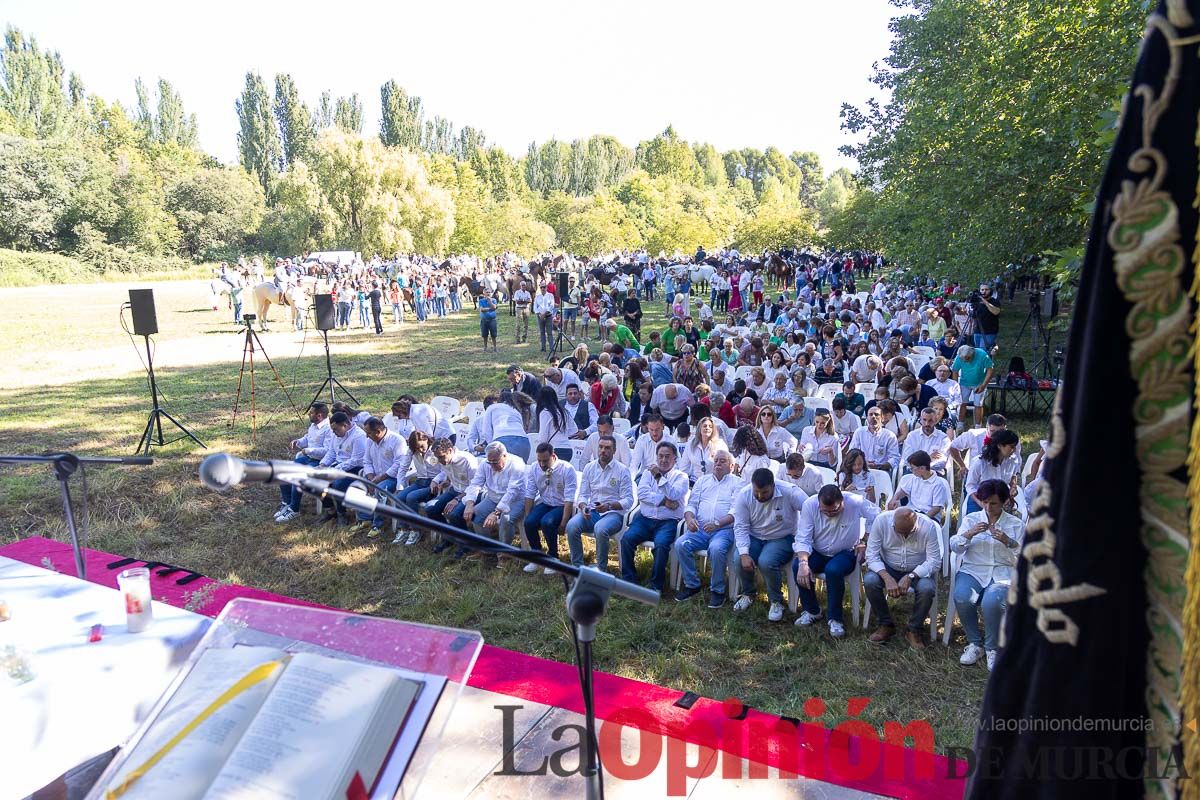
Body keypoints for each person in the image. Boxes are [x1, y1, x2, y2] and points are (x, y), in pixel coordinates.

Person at [950, 479, 1023, 671]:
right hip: (974, 569)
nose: (988, 507)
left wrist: (1010, 542)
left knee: (991, 601)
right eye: (985, 502)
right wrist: (968, 534)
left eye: (994, 503)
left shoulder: (1015, 524)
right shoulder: (971, 519)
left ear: (1005, 502)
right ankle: (975, 644)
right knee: (962, 596)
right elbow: (955, 547)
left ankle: (992, 648)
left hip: (1002, 571)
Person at [794, 485, 880, 637]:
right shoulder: (810, 504)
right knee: (797, 566)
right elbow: (803, 537)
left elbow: (876, 516)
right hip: (818, 550)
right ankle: (813, 610)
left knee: (833, 570)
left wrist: (866, 540)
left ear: (843, 502)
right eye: (825, 510)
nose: (829, 514)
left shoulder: (855, 501)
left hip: (846, 551)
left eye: (834, 510)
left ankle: (835, 618)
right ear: (819, 503)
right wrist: (803, 563)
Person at [731, 467, 809, 621]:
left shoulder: (790, 492)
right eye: (756, 492)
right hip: (755, 536)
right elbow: (740, 526)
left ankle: (776, 601)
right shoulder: (744, 495)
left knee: (766, 562)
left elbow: (810, 509)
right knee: (739, 559)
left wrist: (803, 537)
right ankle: (748, 593)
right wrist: (744, 553)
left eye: (764, 492)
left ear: (774, 485)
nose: (760, 496)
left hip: (783, 537)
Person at [863, 507, 941, 649]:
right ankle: (885, 624)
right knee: (870, 580)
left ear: (916, 523)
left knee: (927, 588)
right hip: (888, 566)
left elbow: (934, 561)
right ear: (893, 523)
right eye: (900, 532)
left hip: (917, 570)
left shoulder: (928, 526)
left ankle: (914, 629)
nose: (904, 536)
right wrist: (886, 577)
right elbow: (871, 556)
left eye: (909, 532)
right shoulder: (881, 521)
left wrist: (911, 576)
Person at [673, 450, 742, 606]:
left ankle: (717, 590)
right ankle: (692, 585)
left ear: (731, 466)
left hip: (724, 530)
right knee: (680, 544)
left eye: (722, 461)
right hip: (701, 529)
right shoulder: (702, 481)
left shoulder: (737, 483)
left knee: (716, 549)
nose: (718, 463)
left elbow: (735, 511)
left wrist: (718, 523)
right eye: (716, 460)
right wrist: (690, 519)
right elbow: (691, 504)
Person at [620, 441, 690, 592]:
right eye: (660, 456)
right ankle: (628, 579)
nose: (663, 460)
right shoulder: (646, 473)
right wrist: (664, 501)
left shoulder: (681, 477)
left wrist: (658, 477)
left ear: (675, 459)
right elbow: (642, 494)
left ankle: (655, 585)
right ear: (656, 457)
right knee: (626, 539)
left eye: (667, 457)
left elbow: (674, 494)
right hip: (645, 519)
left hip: (668, 521)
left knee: (662, 544)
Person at [567, 434, 634, 572]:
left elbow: (628, 500)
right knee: (572, 526)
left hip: (613, 514)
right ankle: (577, 568)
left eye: (607, 448)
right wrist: (584, 506)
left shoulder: (622, 470)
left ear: (614, 451)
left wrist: (609, 505)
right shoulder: (589, 468)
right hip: (592, 511)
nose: (603, 450)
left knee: (600, 529)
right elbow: (583, 495)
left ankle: (600, 568)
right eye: (601, 447)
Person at [453, 441, 527, 561]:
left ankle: (505, 554)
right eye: (490, 462)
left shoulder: (517, 464)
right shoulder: (485, 464)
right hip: (493, 498)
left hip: (516, 500)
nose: (492, 465)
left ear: (504, 456)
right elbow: (476, 483)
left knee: (506, 519)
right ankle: (487, 549)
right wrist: (470, 503)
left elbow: (512, 492)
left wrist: (496, 512)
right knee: (476, 512)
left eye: (495, 462)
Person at [518, 443, 578, 573]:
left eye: (545, 460)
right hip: (546, 503)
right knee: (529, 522)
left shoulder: (566, 469)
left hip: (562, 505)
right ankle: (536, 555)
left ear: (553, 456)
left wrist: (563, 521)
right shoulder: (534, 468)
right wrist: (528, 514)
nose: (542, 464)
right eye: (539, 460)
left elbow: (569, 498)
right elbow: (530, 493)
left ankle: (553, 558)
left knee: (547, 522)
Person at [352, 416, 413, 536]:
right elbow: (366, 460)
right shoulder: (370, 440)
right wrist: (370, 478)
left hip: (392, 477)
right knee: (357, 486)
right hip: (374, 476)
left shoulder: (397, 440)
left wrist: (378, 479)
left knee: (380, 490)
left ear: (378, 432)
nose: (366, 436)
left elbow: (398, 465)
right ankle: (364, 519)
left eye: (368, 433)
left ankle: (377, 525)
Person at [275, 402, 331, 523]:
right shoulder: (313, 425)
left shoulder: (329, 429)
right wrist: (298, 442)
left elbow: (328, 451)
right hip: (307, 458)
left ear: (319, 415)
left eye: (311, 413)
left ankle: (294, 510)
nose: (308, 414)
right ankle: (287, 502)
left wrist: (309, 450)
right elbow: (307, 438)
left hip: (319, 462)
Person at [316, 411, 369, 525]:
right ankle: (330, 510)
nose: (334, 432)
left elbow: (355, 460)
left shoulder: (358, 436)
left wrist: (335, 470)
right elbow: (331, 452)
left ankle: (341, 513)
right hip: (339, 465)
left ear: (345, 425)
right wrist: (323, 465)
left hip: (354, 469)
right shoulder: (337, 435)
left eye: (336, 429)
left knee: (337, 484)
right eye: (332, 430)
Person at [425, 438, 478, 539]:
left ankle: (466, 543)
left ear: (450, 450)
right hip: (454, 490)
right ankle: (449, 537)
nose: (440, 461)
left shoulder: (467, 460)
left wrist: (457, 499)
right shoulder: (445, 459)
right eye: (438, 458)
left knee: (454, 514)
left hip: (469, 494)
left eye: (441, 457)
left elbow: (475, 486)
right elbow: (447, 473)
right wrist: (443, 481)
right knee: (430, 508)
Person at [394, 430, 439, 545]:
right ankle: (403, 529)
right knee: (399, 497)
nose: (420, 450)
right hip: (420, 481)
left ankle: (416, 530)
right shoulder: (412, 451)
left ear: (426, 440)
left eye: (422, 447)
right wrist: (400, 486)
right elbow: (403, 468)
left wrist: (435, 481)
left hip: (433, 483)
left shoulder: (435, 450)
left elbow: (445, 470)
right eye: (417, 448)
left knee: (411, 497)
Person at [964, 429, 1020, 513]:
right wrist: (982, 503)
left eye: (1015, 447)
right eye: (1011, 447)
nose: (1014, 450)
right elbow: (970, 486)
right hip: (979, 500)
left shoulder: (1013, 460)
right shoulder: (979, 462)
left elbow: (1013, 477)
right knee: (976, 525)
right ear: (999, 446)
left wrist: (1013, 488)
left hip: (1002, 501)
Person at [889, 450, 950, 522]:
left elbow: (936, 508)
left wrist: (922, 520)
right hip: (911, 513)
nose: (911, 470)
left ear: (922, 468)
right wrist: (894, 499)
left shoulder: (938, 484)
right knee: (890, 521)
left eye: (912, 468)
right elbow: (903, 491)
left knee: (904, 527)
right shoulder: (914, 478)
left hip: (929, 517)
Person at [479, 389, 534, 462]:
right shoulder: (516, 410)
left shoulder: (491, 408)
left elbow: (486, 431)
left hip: (503, 440)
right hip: (524, 442)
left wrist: (492, 447)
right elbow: (523, 428)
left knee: (502, 471)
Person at [951, 344, 995, 427]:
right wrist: (955, 386)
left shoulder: (982, 355)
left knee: (978, 404)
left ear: (972, 354)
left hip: (979, 382)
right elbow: (955, 371)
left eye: (967, 358)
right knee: (962, 403)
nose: (965, 361)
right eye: (963, 359)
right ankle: (960, 424)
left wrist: (983, 385)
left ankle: (978, 426)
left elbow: (990, 369)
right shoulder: (960, 356)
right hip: (964, 383)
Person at [849, 406, 900, 472]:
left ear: (882, 418)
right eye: (870, 414)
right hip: (861, 469)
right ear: (867, 418)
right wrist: (863, 464)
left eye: (876, 414)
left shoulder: (890, 436)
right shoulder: (859, 432)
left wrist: (880, 466)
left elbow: (895, 458)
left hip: (881, 471)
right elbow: (851, 453)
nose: (873, 417)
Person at [679, 415, 730, 480]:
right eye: (705, 426)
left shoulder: (720, 444)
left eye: (710, 427)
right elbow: (684, 468)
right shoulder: (690, 444)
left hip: (714, 481)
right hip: (695, 482)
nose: (707, 428)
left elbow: (727, 466)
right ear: (699, 429)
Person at [902, 408, 950, 474]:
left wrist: (917, 462)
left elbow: (941, 463)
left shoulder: (943, 438)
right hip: (913, 472)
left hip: (934, 473)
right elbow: (907, 460)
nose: (927, 424)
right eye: (924, 420)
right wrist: (929, 458)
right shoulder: (912, 436)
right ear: (920, 420)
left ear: (936, 421)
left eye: (930, 421)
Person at [970, 283, 1002, 352]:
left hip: (989, 332)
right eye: (982, 290)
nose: (984, 291)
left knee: (983, 352)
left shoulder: (995, 301)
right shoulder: (977, 302)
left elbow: (996, 312)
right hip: (978, 331)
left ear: (990, 291)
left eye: (986, 289)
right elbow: (973, 317)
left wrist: (984, 301)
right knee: (977, 351)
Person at [534, 287, 556, 352]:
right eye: (541, 287)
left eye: (544, 287)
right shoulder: (537, 297)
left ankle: (552, 347)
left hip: (548, 316)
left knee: (549, 332)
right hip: (540, 316)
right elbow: (535, 307)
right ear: (540, 288)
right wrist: (539, 314)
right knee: (542, 332)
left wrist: (545, 314)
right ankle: (543, 348)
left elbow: (552, 306)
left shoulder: (550, 295)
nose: (543, 288)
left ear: (546, 288)